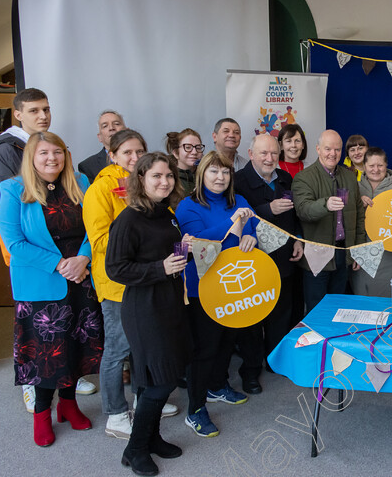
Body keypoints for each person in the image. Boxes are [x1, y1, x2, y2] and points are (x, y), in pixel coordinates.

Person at [0, 131, 98, 447]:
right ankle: (42, 415)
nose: (52, 158)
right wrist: (60, 264)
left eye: (58, 151)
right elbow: (15, 243)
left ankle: (68, 405)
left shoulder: (80, 183)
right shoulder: (13, 190)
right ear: (31, 157)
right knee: (46, 356)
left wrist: (83, 258)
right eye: (44, 153)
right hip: (42, 284)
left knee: (77, 347)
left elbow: (96, 227)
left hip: (80, 279)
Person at [85, 129, 175, 440]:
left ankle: (144, 400)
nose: (134, 157)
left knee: (143, 350)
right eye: (127, 153)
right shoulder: (100, 190)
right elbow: (101, 242)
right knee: (118, 349)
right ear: (111, 155)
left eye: (139, 151)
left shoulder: (157, 197)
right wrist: (140, 237)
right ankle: (115, 412)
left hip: (151, 286)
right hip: (117, 286)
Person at [105, 153, 191, 474]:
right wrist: (160, 267)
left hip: (168, 303)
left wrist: (184, 249)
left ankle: (152, 437)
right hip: (144, 309)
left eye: (168, 176)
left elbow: (168, 256)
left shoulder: (166, 213)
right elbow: (115, 268)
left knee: (156, 379)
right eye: (156, 176)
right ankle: (135, 448)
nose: (164, 182)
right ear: (141, 179)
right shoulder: (129, 219)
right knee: (159, 380)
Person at [176, 151, 259, 438]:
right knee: (204, 348)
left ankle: (217, 386)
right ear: (202, 175)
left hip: (233, 287)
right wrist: (233, 223)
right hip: (201, 288)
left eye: (225, 172)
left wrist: (251, 236)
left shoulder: (240, 202)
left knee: (227, 341)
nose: (220, 177)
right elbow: (200, 242)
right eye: (213, 172)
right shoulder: (188, 207)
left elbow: (254, 227)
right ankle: (195, 409)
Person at [234, 134, 304, 387]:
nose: (269, 158)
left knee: (281, 314)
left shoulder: (285, 178)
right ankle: (250, 371)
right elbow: (234, 217)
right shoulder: (237, 181)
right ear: (251, 154)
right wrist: (266, 210)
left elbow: (294, 215)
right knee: (252, 319)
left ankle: (274, 361)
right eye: (263, 153)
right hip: (252, 261)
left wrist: (297, 238)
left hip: (284, 258)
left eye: (274, 153)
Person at [293, 130, 366, 314]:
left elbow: (358, 216)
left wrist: (358, 250)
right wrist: (324, 204)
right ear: (318, 149)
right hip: (316, 256)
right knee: (316, 310)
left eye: (337, 149)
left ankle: (333, 343)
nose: (332, 154)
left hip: (343, 253)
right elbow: (303, 210)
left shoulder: (350, 177)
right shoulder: (304, 177)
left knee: (338, 307)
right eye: (327, 149)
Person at [352, 146, 392, 297]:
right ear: (364, 166)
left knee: (386, 303)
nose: (376, 169)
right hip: (361, 256)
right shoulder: (355, 189)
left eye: (380, 165)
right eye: (371, 165)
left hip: (390, 258)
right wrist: (356, 201)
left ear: (386, 165)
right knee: (361, 301)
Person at [78, 110, 126, 183]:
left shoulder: (142, 158)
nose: (111, 128)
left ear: (127, 131)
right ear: (99, 137)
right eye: (105, 126)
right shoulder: (87, 166)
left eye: (116, 124)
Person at [166, 128, 205, 196]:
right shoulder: (169, 178)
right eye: (188, 147)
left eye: (198, 148)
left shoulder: (206, 175)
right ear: (176, 153)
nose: (194, 152)